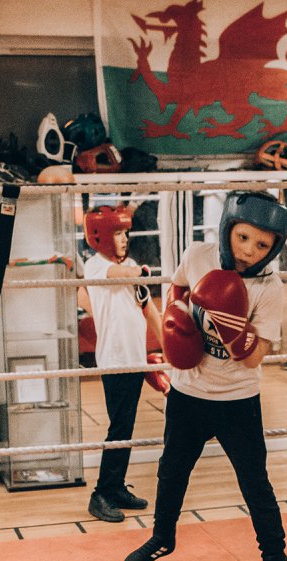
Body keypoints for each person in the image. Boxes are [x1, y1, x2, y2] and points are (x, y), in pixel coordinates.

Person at [123, 191, 287, 561]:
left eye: (261, 245)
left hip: (238, 401)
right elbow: (178, 287)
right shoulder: (198, 255)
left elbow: (254, 359)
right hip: (189, 395)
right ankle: (163, 538)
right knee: (171, 472)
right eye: (243, 238)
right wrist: (177, 323)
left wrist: (231, 324)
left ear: (273, 250)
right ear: (227, 230)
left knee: (256, 486)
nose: (249, 251)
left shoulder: (270, 289)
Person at [78, 204, 160, 523]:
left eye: (126, 233)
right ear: (100, 237)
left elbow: (148, 308)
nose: (124, 239)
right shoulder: (96, 266)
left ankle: (115, 488)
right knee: (118, 428)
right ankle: (101, 493)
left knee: (125, 428)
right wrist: (140, 272)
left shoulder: (133, 265)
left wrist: (173, 352)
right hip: (115, 360)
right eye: (117, 233)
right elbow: (118, 274)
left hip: (134, 357)